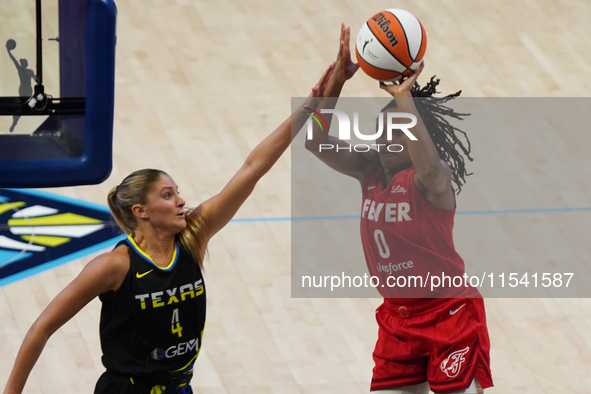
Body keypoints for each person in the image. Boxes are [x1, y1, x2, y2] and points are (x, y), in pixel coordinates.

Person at [3, 58, 336, 393]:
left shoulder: (193, 237)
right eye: (167, 195)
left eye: (177, 193)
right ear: (141, 211)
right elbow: (42, 327)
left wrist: (310, 106)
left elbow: (253, 167)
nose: (180, 201)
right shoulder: (115, 266)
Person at [304, 26, 493, 394]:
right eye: (382, 130)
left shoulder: (431, 184)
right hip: (397, 320)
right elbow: (314, 140)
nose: (387, 137)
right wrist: (336, 82)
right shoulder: (368, 170)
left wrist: (404, 96)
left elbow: (433, 168)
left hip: (448, 313)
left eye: (400, 130)